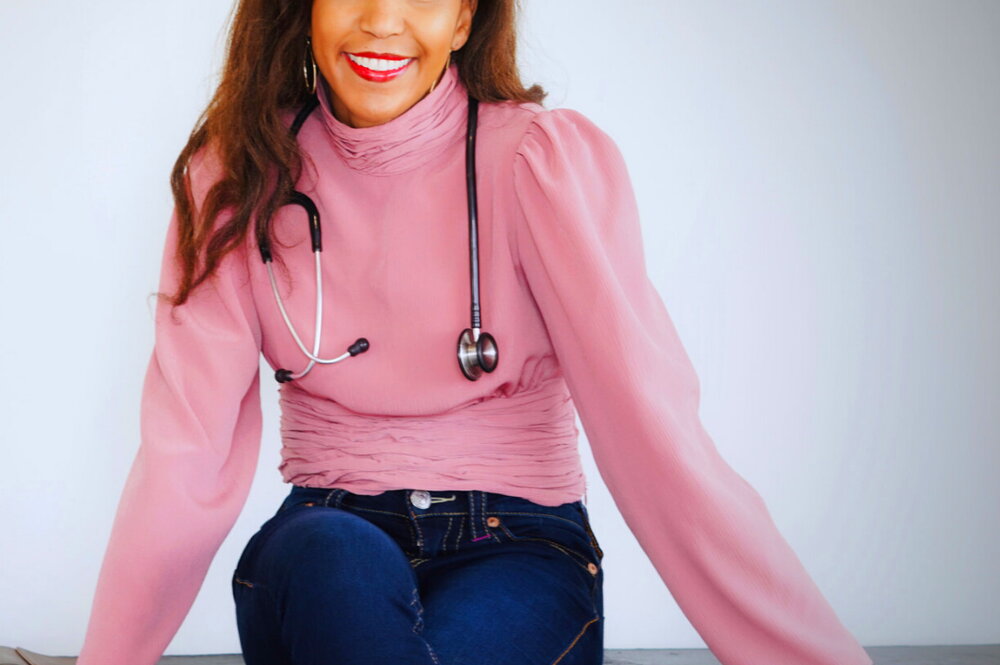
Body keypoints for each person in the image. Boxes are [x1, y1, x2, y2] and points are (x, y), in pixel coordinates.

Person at [75, 1, 873, 664]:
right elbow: (185, 458)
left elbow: (657, 441)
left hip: (520, 540)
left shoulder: (535, 163)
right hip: (327, 539)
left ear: (464, 17)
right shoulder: (235, 177)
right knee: (331, 559)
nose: (383, 21)